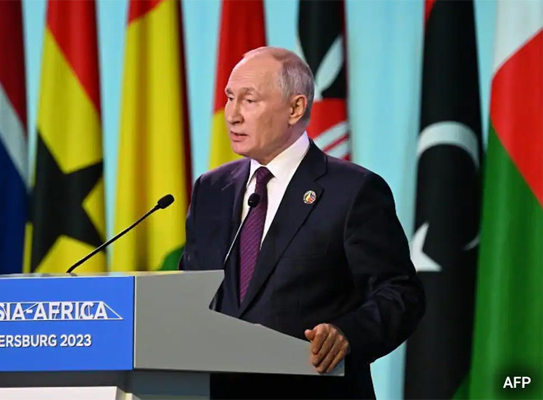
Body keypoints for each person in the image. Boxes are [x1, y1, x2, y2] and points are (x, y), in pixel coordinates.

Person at [179, 47, 426, 399]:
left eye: (249, 100)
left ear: (295, 108)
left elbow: (400, 293)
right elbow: (191, 292)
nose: (232, 115)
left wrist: (347, 334)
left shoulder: (353, 191)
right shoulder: (211, 189)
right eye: (230, 98)